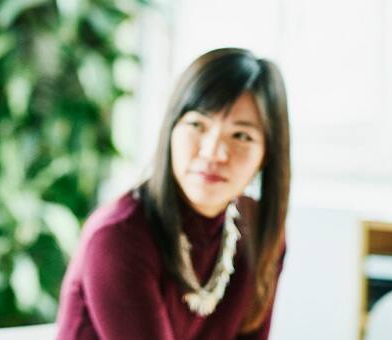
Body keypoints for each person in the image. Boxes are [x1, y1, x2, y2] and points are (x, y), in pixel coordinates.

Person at [56, 48, 290, 340]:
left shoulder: (259, 229)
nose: (213, 153)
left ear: (267, 154)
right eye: (197, 125)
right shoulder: (119, 236)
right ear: (170, 130)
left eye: (241, 135)